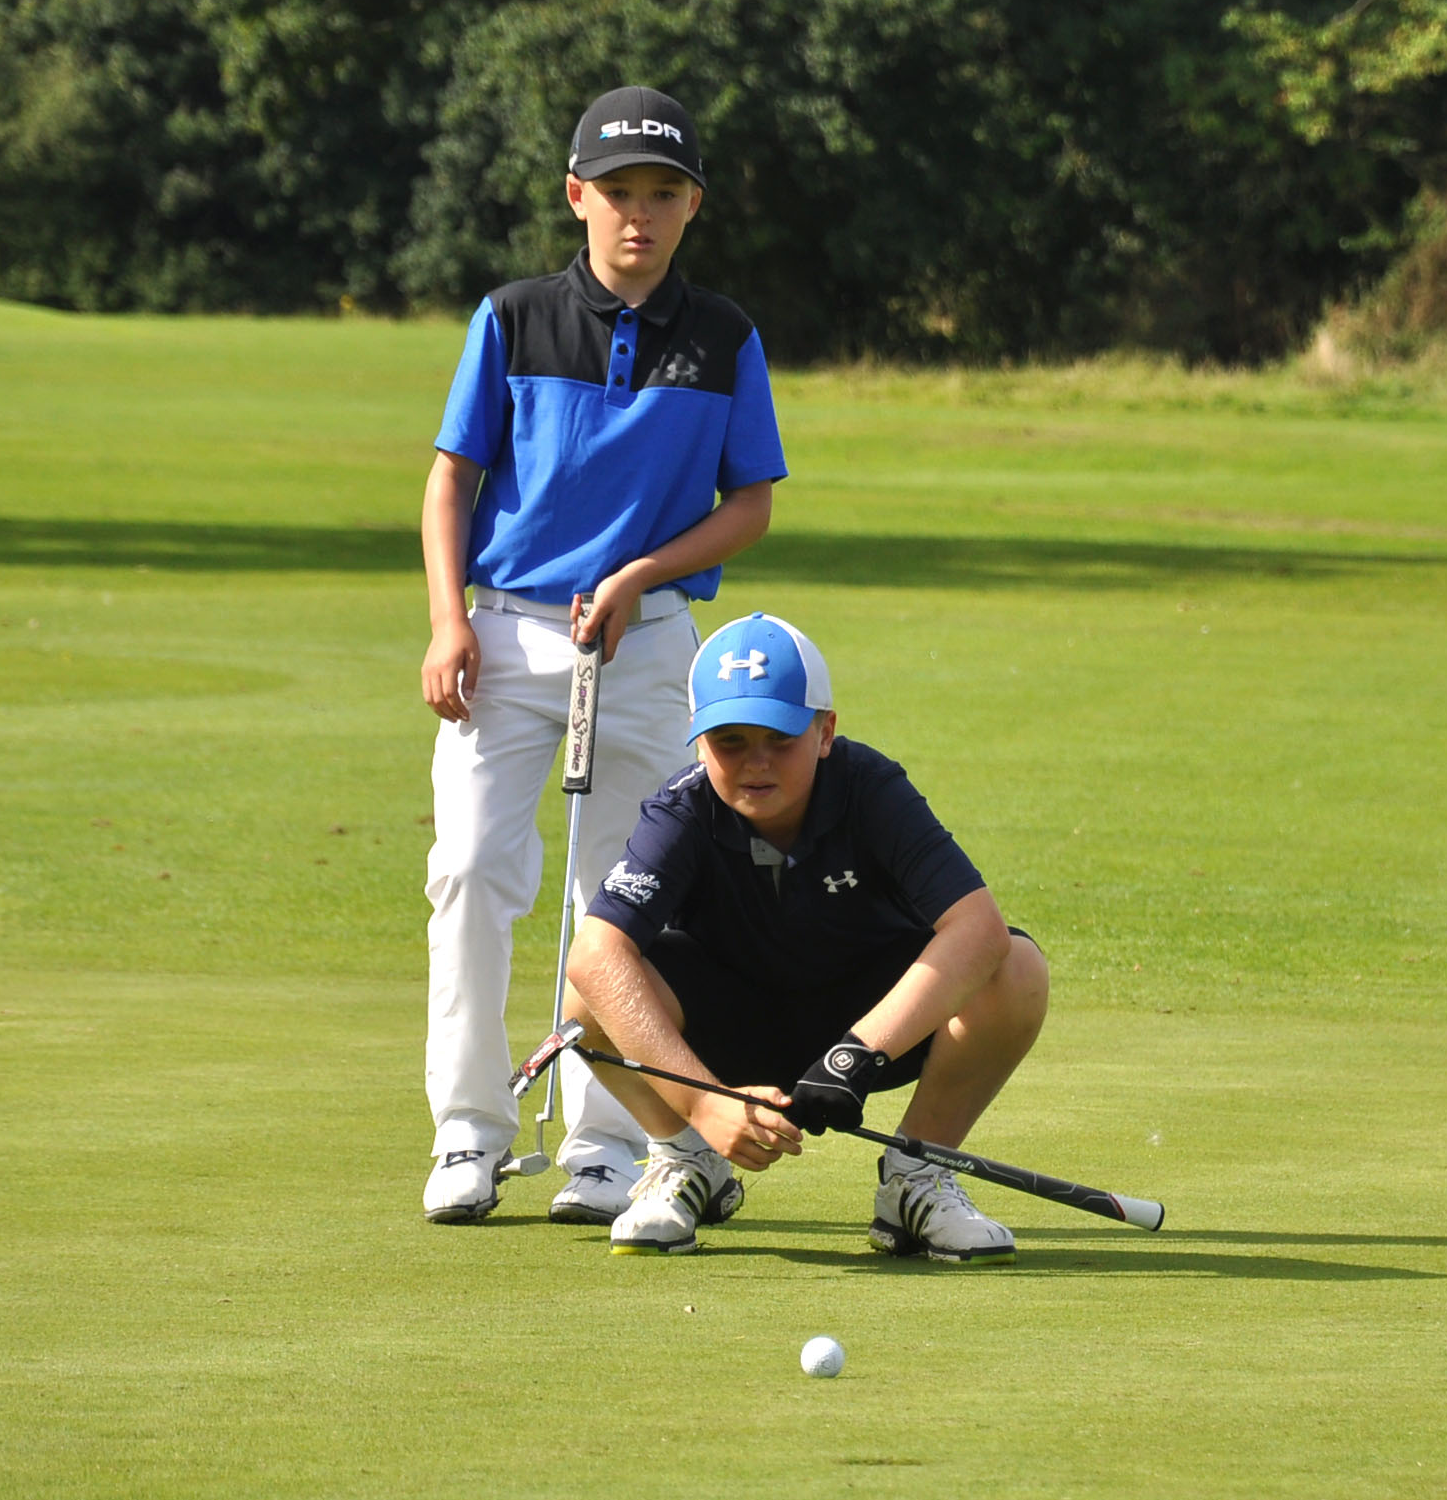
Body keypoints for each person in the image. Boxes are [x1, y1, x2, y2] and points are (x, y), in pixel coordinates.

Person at [418, 86, 785, 1226]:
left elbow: (751, 504)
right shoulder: (515, 317)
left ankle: (605, 1144)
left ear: (691, 206)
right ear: (577, 196)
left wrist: (636, 577)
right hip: (509, 631)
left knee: (622, 903)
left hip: (646, 639)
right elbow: (452, 480)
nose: (638, 214)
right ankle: (470, 1131)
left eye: (661, 194)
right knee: (474, 870)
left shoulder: (723, 337)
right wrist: (447, 618)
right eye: (617, 192)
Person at [561, 613, 1050, 1260]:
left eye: (780, 737)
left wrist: (858, 1053)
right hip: (727, 1036)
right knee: (587, 1003)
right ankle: (687, 1160)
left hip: (872, 1022)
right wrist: (704, 1105)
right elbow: (595, 954)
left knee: (1014, 965)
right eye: (730, 740)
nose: (755, 762)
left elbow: (977, 929)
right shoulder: (682, 810)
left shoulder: (871, 789)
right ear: (698, 743)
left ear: (824, 732)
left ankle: (916, 1174)